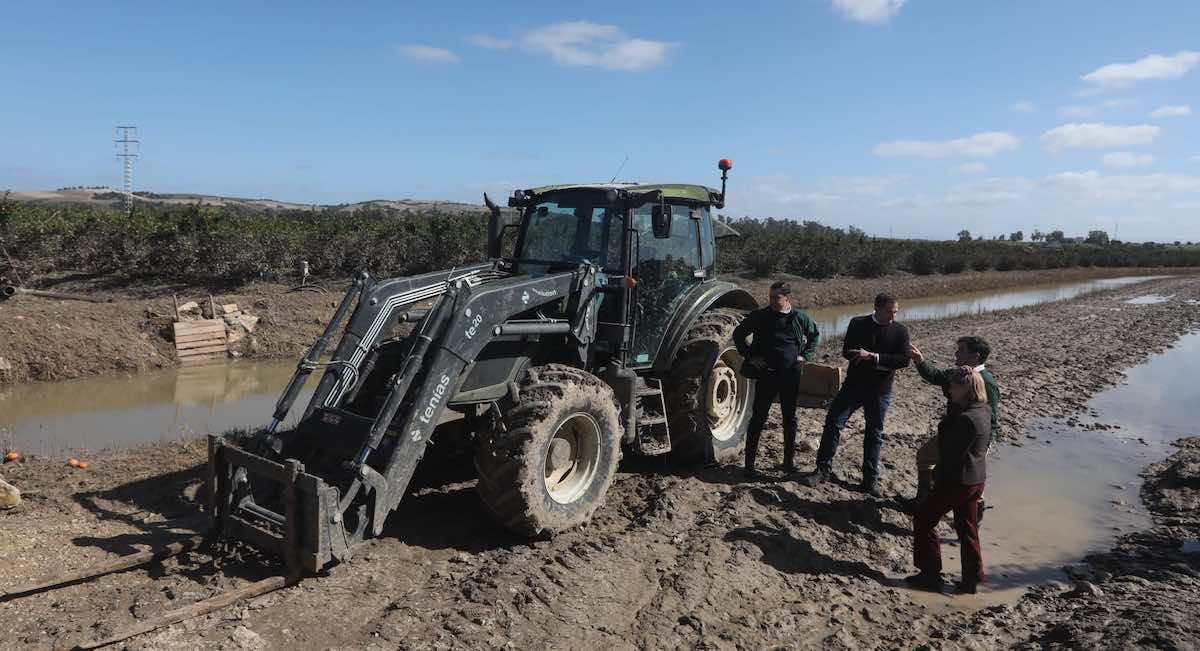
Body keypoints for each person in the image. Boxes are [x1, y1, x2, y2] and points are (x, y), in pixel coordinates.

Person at [801, 293, 909, 497]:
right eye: (890, 312)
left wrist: (874, 357)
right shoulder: (858, 323)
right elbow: (847, 351)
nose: (893, 317)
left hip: (880, 390)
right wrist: (858, 355)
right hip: (854, 385)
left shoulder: (900, 331)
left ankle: (870, 480)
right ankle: (822, 470)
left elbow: (903, 360)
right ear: (877, 308)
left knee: (874, 433)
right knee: (833, 422)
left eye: (895, 312)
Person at [906, 366, 991, 594]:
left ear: (966, 389)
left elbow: (951, 455)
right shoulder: (983, 410)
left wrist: (936, 478)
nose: (949, 391)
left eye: (953, 387)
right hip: (976, 479)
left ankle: (930, 575)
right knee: (967, 528)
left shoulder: (965, 419)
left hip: (958, 481)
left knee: (924, 520)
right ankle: (971, 579)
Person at [733, 280, 820, 478]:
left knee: (790, 419)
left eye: (776, 298)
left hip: (790, 376)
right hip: (767, 375)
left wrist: (803, 357)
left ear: (787, 299)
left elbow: (814, 336)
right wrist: (750, 356)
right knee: (758, 418)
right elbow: (738, 334)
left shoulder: (799, 318)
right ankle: (749, 466)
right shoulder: (761, 316)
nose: (771, 301)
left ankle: (788, 462)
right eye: (770, 297)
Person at [906, 336, 1001, 512]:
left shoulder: (986, 382)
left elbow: (991, 419)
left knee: (967, 480)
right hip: (951, 432)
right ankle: (923, 500)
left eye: (961, 350)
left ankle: (974, 514)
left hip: (972, 442)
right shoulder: (958, 373)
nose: (956, 354)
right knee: (925, 457)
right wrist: (920, 361)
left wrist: (983, 447)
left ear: (975, 356)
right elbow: (936, 376)